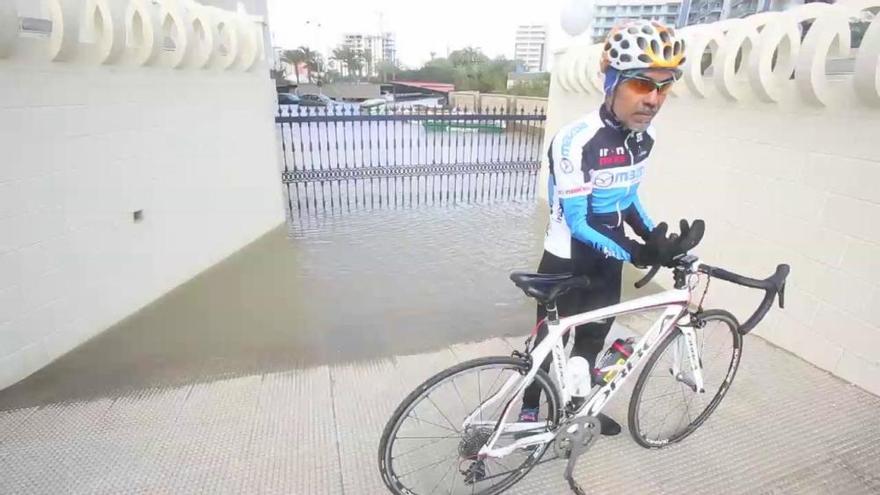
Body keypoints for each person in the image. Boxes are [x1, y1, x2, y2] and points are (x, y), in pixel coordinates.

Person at [519, 19, 687, 435]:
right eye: (641, 84)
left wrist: (655, 238)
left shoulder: (642, 138)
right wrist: (636, 251)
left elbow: (626, 197)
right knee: (547, 344)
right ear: (611, 82)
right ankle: (527, 408)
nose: (654, 99)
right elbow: (580, 221)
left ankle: (577, 411)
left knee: (592, 340)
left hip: (606, 262)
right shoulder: (575, 139)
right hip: (566, 258)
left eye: (664, 87)